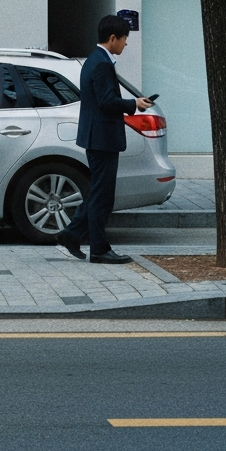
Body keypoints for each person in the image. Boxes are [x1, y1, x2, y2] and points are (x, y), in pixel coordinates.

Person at [56, 14, 153, 264]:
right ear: (112, 38)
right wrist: (134, 103)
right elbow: (106, 101)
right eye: (124, 39)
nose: (126, 44)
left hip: (98, 136)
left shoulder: (95, 60)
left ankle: (72, 234)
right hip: (102, 138)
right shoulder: (101, 63)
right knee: (102, 194)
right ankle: (97, 248)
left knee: (101, 192)